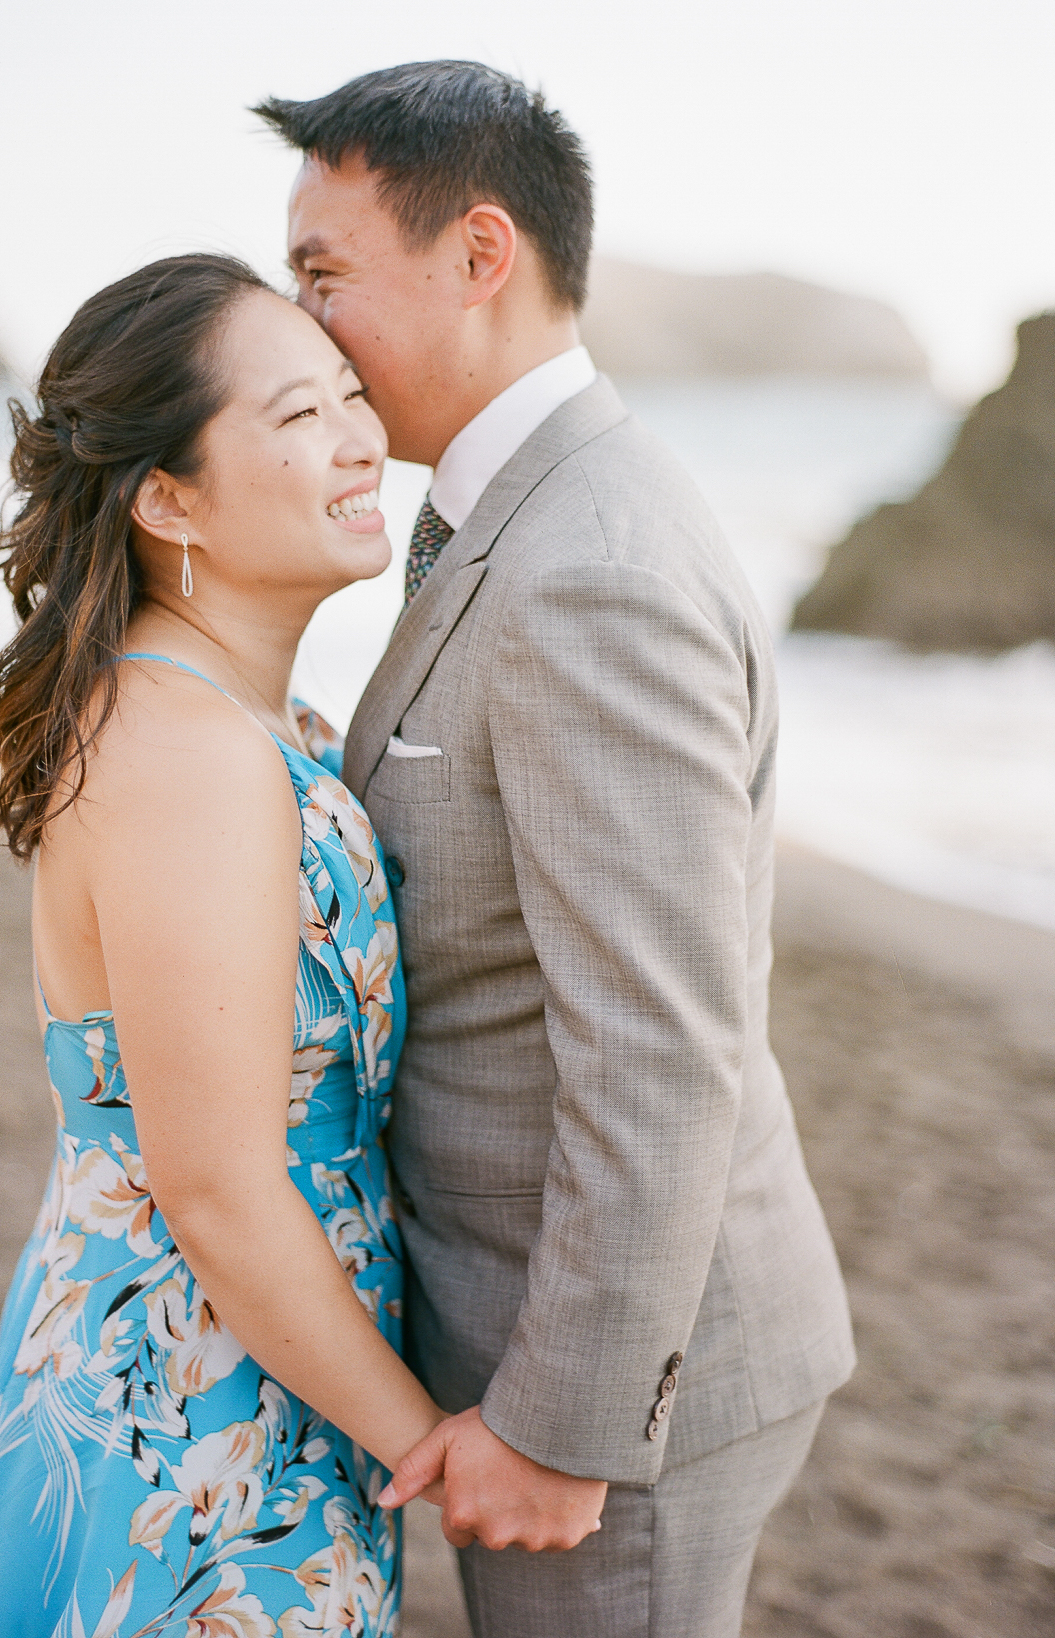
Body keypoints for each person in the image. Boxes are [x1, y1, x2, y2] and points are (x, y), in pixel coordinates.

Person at [256, 61, 857, 1638]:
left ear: (480, 254)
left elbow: (661, 1048)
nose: (299, 325)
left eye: (324, 276)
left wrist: (556, 1427)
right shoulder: (519, 510)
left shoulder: (590, 565)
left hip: (621, 1406)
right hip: (546, 1333)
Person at [0, 252, 517, 1638]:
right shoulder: (188, 750)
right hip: (193, 1408)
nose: (362, 437)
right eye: (300, 415)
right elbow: (215, 1184)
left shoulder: (252, 724)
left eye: (354, 395)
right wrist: (423, 1441)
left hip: (259, 1373)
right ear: (167, 496)